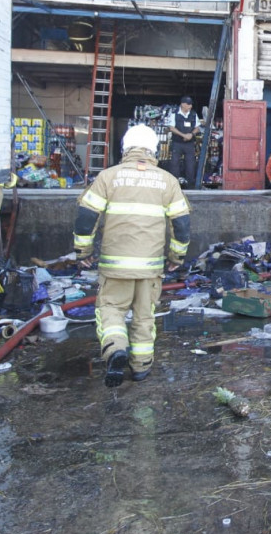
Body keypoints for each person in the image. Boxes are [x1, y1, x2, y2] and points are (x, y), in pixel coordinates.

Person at [73, 124, 190, 387]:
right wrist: (176, 257)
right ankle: (141, 367)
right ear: (154, 150)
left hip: (115, 266)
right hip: (150, 268)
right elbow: (181, 226)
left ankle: (116, 349)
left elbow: (85, 218)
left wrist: (83, 252)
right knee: (144, 316)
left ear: (125, 148)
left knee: (111, 310)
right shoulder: (168, 181)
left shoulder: (107, 177)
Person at [168, 96, 201, 186]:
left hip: (189, 144)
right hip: (177, 143)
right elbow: (171, 128)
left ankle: (190, 184)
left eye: (191, 105)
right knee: (175, 163)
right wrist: (184, 135)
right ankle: (175, 184)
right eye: (188, 104)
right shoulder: (174, 114)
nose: (190, 106)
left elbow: (197, 128)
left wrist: (191, 135)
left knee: (190, 164)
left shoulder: (193, 114)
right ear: (182, 104)